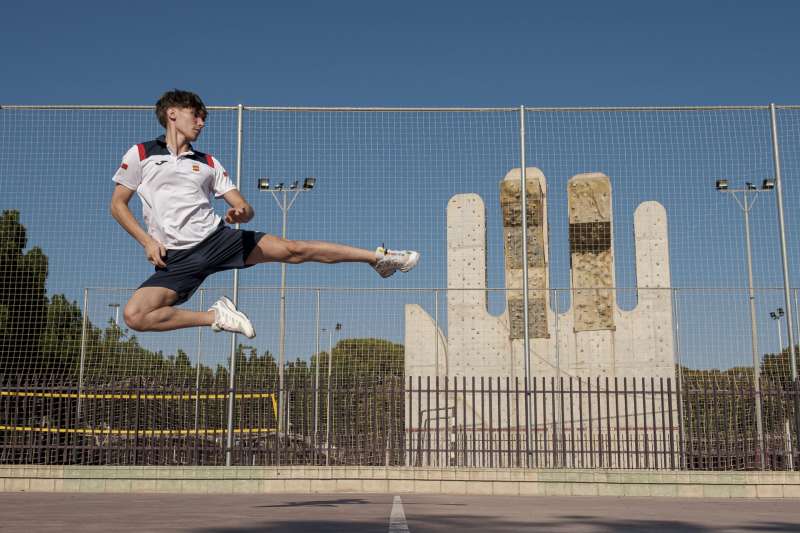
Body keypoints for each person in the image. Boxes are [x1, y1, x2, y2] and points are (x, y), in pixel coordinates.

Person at [110, 89, 419, 339]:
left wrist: (240, 212)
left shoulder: (208, 162)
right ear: (172, 113)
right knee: (135, 316)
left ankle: (379, 258)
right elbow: (118, 205)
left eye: (204, 118)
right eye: (197, 115)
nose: (202, 122)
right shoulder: (141, 154)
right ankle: (216, 316)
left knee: (294, 250)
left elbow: (244, 206)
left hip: (215, 239)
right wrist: (147, 242)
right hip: (175, 256)